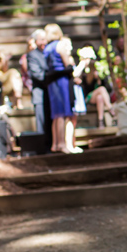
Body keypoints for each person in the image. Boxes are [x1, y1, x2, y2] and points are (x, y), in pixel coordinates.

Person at [43, 24, 76, 154]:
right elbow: (67, 65)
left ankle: (55, 143)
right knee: (62, 113)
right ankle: (62, 144)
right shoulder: (60, 45)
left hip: (52, 82)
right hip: (61, 81)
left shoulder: (47, 48)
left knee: (56, 115)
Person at [0, 40, 24, 107]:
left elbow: (5, 70)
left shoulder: (0, 55)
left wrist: (5, 61)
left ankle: (18, 98)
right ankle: (16, 101)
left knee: (14, 72)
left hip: (3, 77)